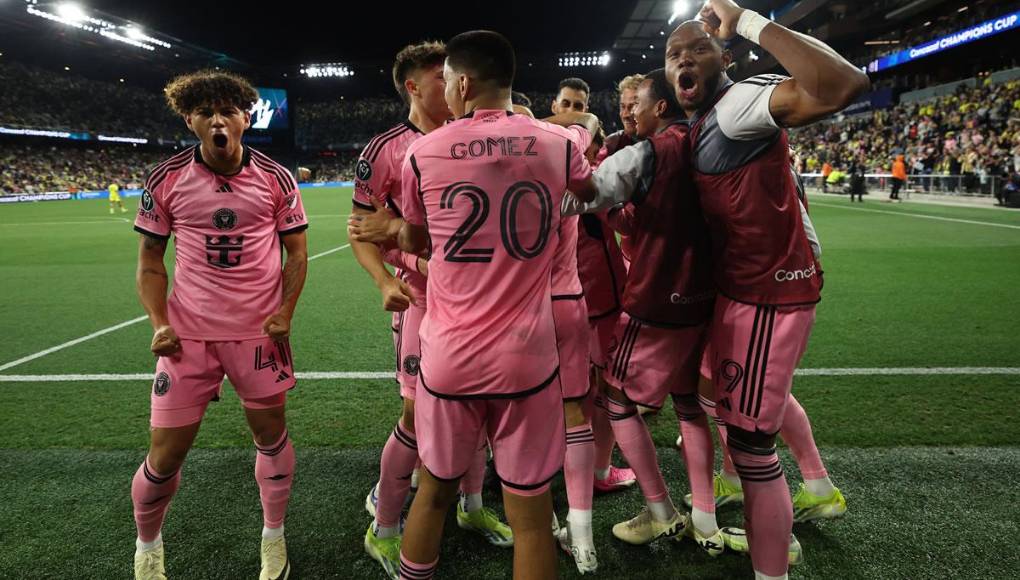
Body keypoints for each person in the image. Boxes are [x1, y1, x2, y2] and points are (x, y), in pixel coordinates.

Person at [389, 30, 598, 580]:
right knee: (530, 515)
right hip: (527, 357)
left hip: (450, 356)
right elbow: (592, 192)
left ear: (461, 82)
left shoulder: (422, 152)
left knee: (433, 494)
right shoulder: (560, 144)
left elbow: (414, 240)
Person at [668, 1, 867, 577]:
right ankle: (788, 503)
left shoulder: (741, 101)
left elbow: (842, 85)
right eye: (674, 54)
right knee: (749, 425)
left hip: (767, 293)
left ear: (723, 58)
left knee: (753, 445)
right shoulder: (708, 119)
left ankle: (773, 560)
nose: (684, 59)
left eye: (697, 49)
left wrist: (748, 19)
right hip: (746, 290)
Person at [131, 70, 309, 580]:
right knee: (164, 455)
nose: (217, 119)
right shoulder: (166, 179)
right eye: (205, 111)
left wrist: (285, 312)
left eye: (227, 110)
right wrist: (158, 321)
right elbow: (149, 263)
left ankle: (273, 536)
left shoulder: (276, 177)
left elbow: (296, 255)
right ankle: (148, 545)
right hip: (187, 338)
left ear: (245, 118)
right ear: (190, 120)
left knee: (271, 435)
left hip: (258, 335)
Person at [557, 68, 740, 557]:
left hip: (657, 294)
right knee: (688, 406)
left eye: (636, 102)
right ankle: (704, 515)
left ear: (660, 107)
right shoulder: (706, 142)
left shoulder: (652, 150)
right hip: (703, 295)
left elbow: (582, 195)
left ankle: (661, 511)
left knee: (615, 399)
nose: (629, 111)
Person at [345, 41, 511, 580]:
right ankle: (385, 527)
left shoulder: (480, 135)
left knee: (481, 413)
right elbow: (359, 230)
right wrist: (382, 279)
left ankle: (471, 507)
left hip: (482, 300)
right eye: (441, 76)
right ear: (413, 86)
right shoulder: (387, 149)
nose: (455, 81)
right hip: (422, 299)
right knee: (417, 420)